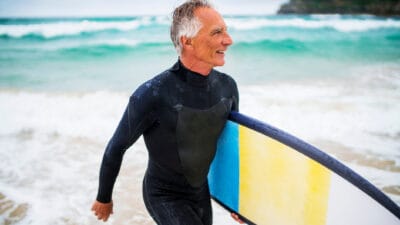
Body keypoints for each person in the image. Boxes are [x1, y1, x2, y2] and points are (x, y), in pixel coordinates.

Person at [91, 1, 242, 224]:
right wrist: (104, 198)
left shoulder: (228, 88)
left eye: (226, 30)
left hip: (200, 193)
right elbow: (116, 147)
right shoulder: (153, 93)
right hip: (164, 195)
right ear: (187, 41)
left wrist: (236, 201)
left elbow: (229, 145)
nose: (228, 40)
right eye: (217, 32)